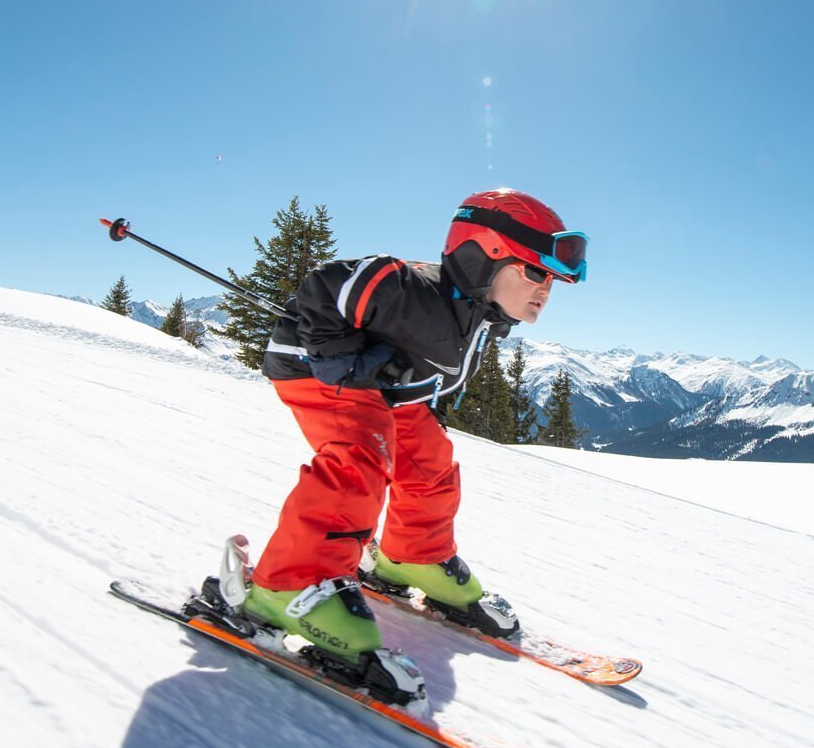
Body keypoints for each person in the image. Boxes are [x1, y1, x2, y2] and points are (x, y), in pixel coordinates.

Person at [241, 188, 587, 677]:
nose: (546, 289)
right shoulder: (413, 290)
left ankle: (413, 557)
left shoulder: (478, 315)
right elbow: (327, 286)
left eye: (552, 278)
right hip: (316, 372)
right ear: (483, 257)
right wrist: (338, 354)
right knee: (360, 457)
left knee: (429, 460)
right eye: (535, 271)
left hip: (384, 391)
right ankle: (288, 585)